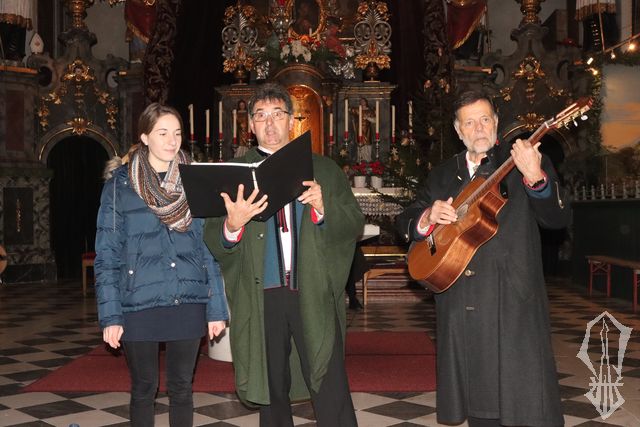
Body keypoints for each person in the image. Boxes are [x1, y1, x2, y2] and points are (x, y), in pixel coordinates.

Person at [395, 90, 569, 427]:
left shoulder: (523, 161)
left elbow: (557, 219)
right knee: (477, 401)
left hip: (512, 299)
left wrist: (536, 177)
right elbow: (406, 221)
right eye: (469, 122)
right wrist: (427, 217)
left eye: (485, 119)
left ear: (496, 122)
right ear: (458, 130)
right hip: (460, 300)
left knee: (523, 401)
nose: (478, 129)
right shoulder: (443, 175)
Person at [204, 83, 363, 427]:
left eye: (278, 114)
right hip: (263, 294)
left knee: (329, 378)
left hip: (312, 289)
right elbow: (214, 239)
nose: (270, 123)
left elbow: (353, 224)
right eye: (261, 116)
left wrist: (324, 207)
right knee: (272, 384)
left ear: (292, 120)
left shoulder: (323, 169)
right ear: (250, 125)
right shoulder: (234, 174)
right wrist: (232, 225)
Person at [95, 102, 229, 427]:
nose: (172, 141)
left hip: (188, 297)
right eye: (163, 133)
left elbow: (208, 249)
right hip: (138, 301)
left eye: (177, 133)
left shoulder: (196, 181)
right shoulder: (120, 186)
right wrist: (111, 315)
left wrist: (216, 308)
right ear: (144, 137)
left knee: (182, 388)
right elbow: (107, 254)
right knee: (144, 388)